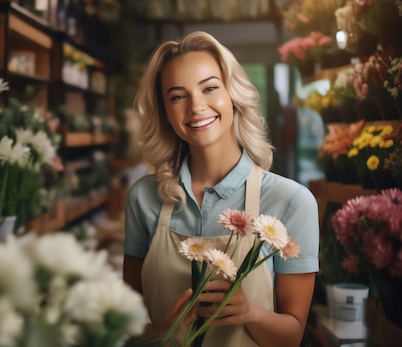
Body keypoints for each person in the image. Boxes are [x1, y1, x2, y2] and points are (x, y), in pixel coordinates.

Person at [123, 31, 319, 347]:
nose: (196, 106)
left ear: (232, 95)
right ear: (165, 114)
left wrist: (250, 312)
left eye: (210, 88)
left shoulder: (292, 202)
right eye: (177, 96)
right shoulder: (143, 198)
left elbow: (292, 337)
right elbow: (126, 324)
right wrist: (164, 334)